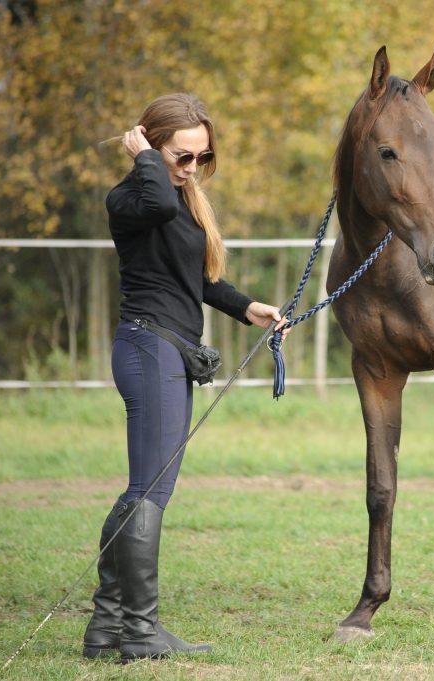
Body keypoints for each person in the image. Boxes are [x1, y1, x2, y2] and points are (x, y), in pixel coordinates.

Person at [82, 93, 289, 663]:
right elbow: (157, 208)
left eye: (201, 158)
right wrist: (147, 158)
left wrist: (250, 309)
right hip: (147, 348)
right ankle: (140, 631)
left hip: (170, 350)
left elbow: (194, 281)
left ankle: (107, 629)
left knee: (143, 489)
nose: (191, 168)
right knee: (150, 490)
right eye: (181, 155)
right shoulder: (132, 196)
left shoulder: (176, 194)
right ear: (148, 142)